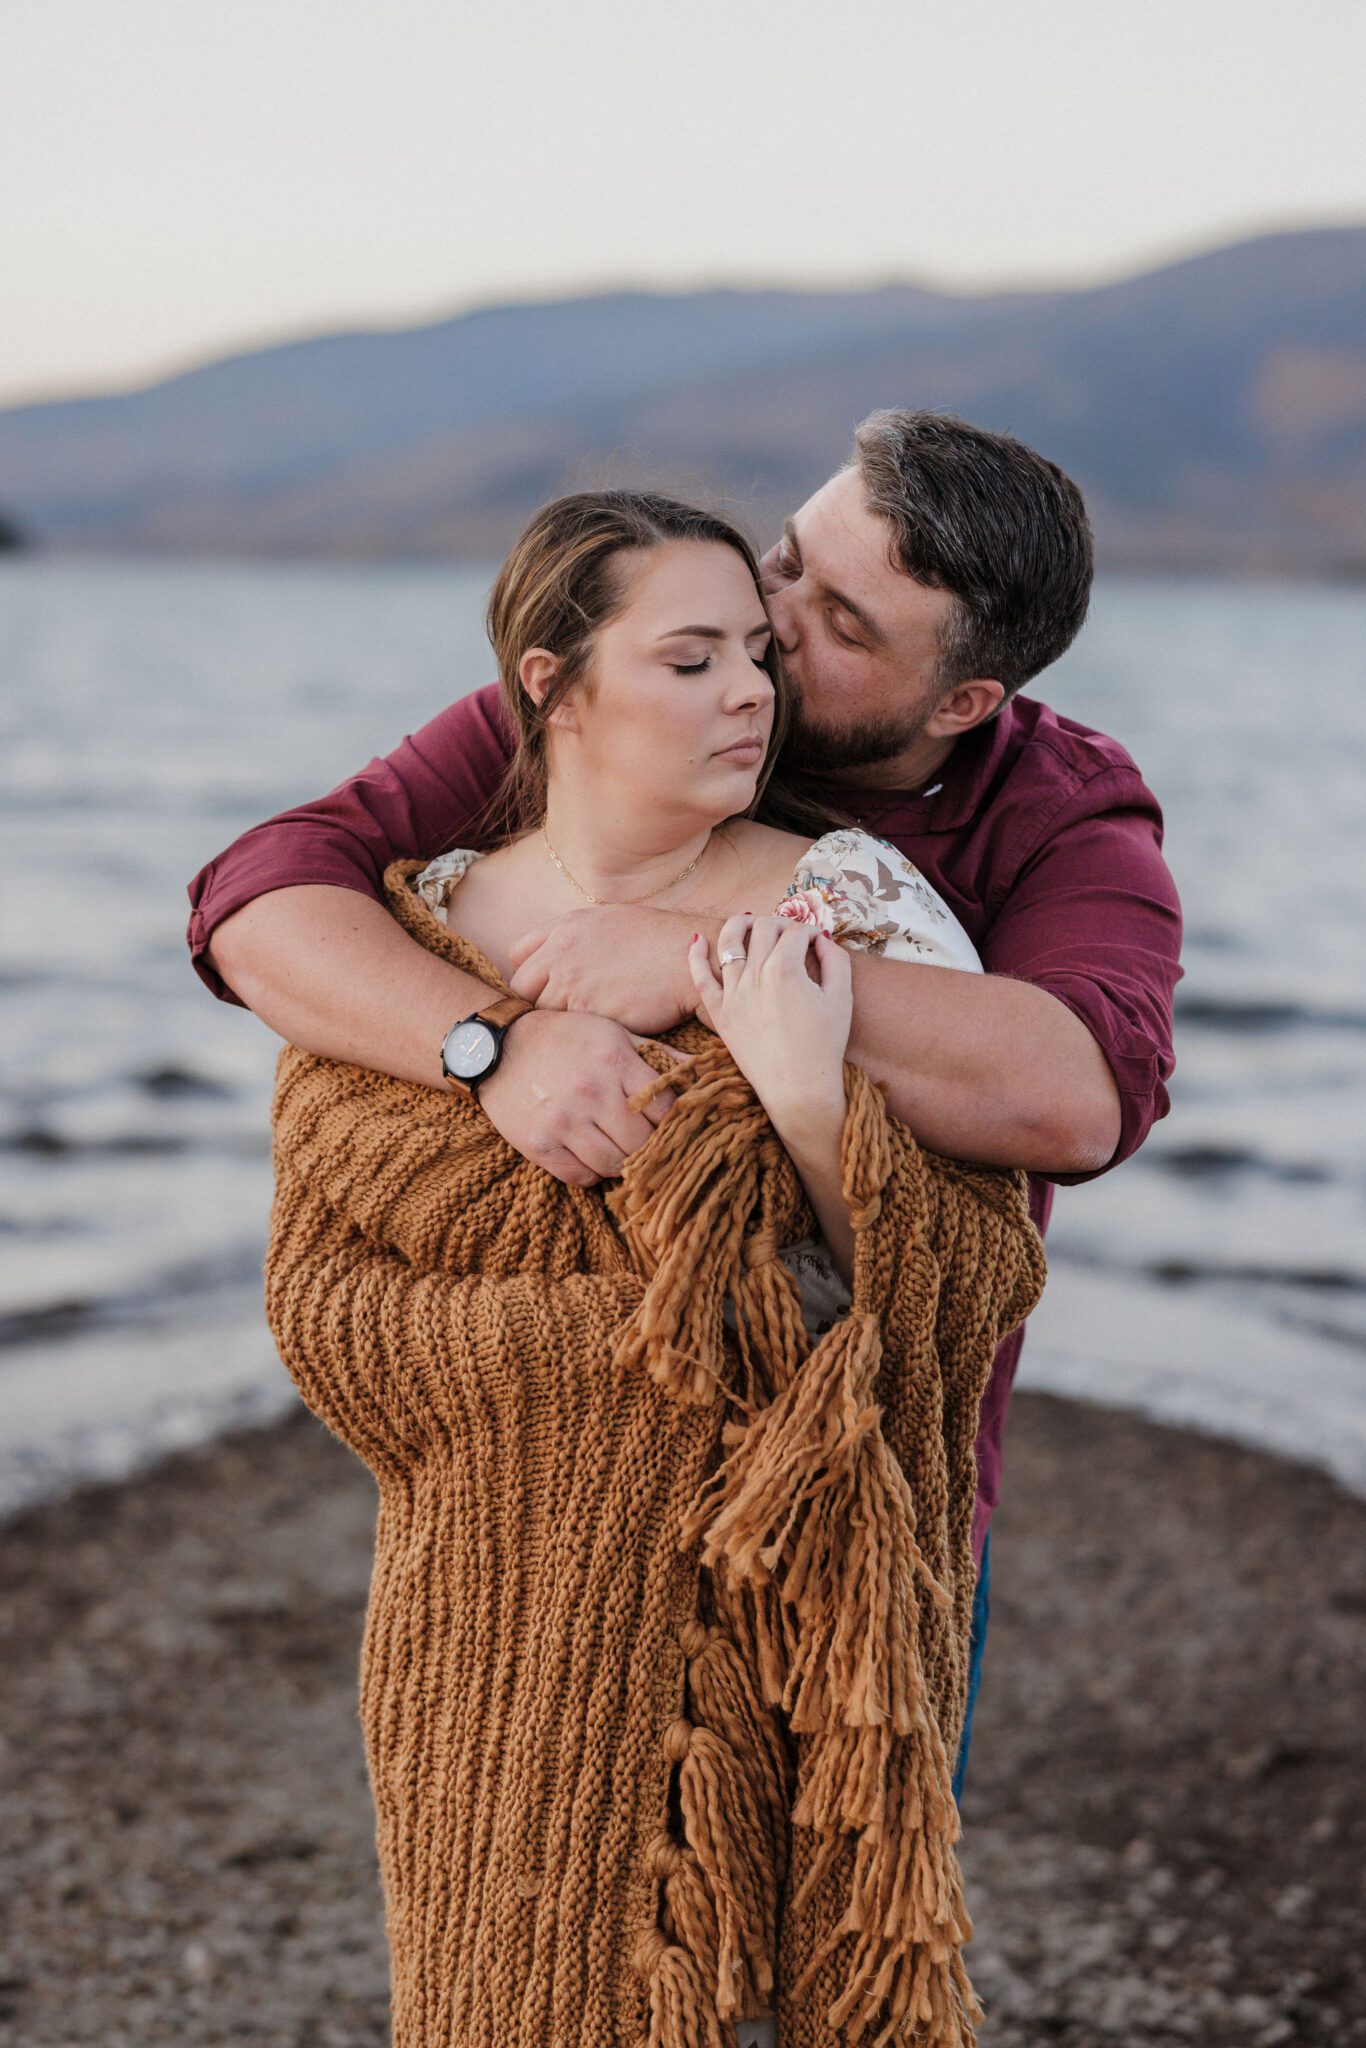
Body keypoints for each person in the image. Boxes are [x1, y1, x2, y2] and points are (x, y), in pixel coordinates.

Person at [186, 409, 1183, 1815]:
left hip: (859, 1453)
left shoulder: (1063, 811)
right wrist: (495, 1045)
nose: (764, 626)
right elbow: (257, 895)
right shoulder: (632, 697)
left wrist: (710, 969)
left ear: (960, 699)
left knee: (837, 1910)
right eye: (785, 557)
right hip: (548, 1470)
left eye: (831, 618)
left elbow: (1076, 1093)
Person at [261, 487, 1046, 2048]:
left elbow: (961, 1286)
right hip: (490, 1604)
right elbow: (326, 1302)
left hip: (777, 1599)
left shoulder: (851, 905)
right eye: (690, 659)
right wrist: (618, 1336)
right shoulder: (421, 934)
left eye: (759, 654)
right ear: (552, 684)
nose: (752, 691)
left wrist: (807, 1094)